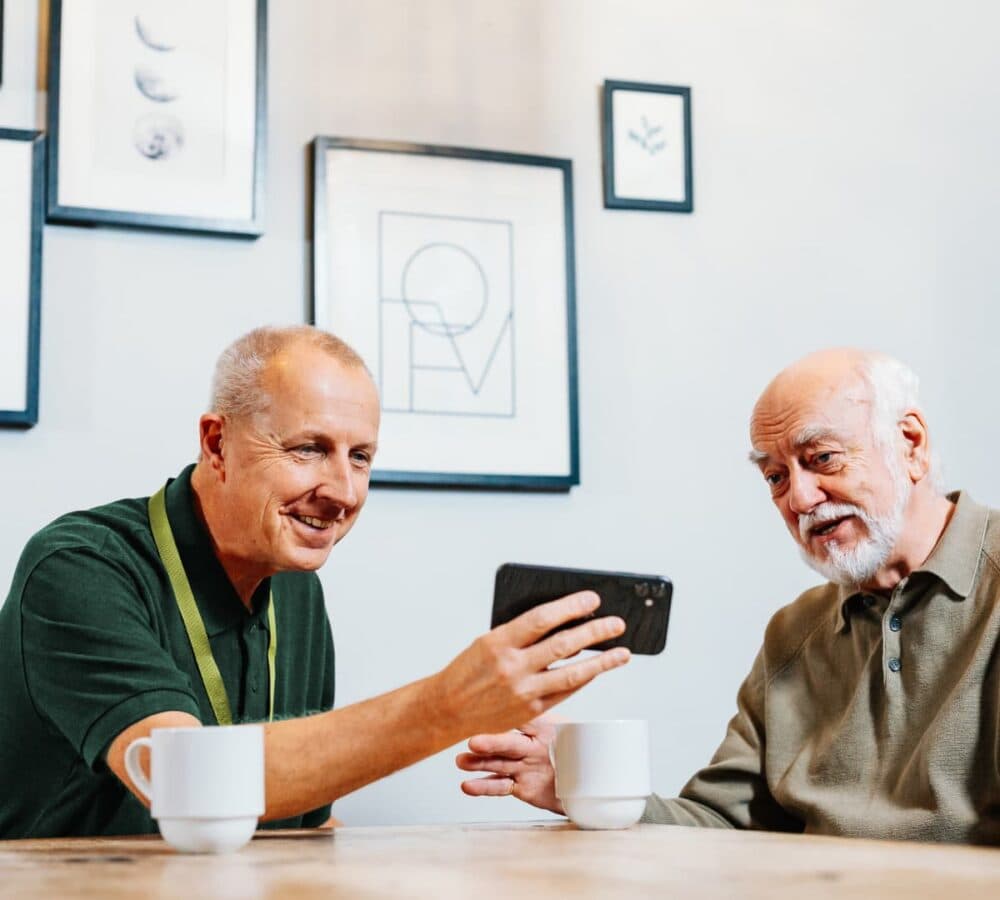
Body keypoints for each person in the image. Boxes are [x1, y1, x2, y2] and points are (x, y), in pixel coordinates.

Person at [0, 325, 631, 838]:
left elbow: (309, 820)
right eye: (308, 449)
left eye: (361, 457)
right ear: (216, 444)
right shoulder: (78, 567)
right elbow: (179, 781)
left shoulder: (296, 585)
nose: (344, 492)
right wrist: (450, 703)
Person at [458, 348, 1000, 844]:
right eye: (775, 477)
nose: (801, 499)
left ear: (911, 444)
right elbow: (723, 822)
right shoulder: (795, 631)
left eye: (822, 458)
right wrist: (588, 790)